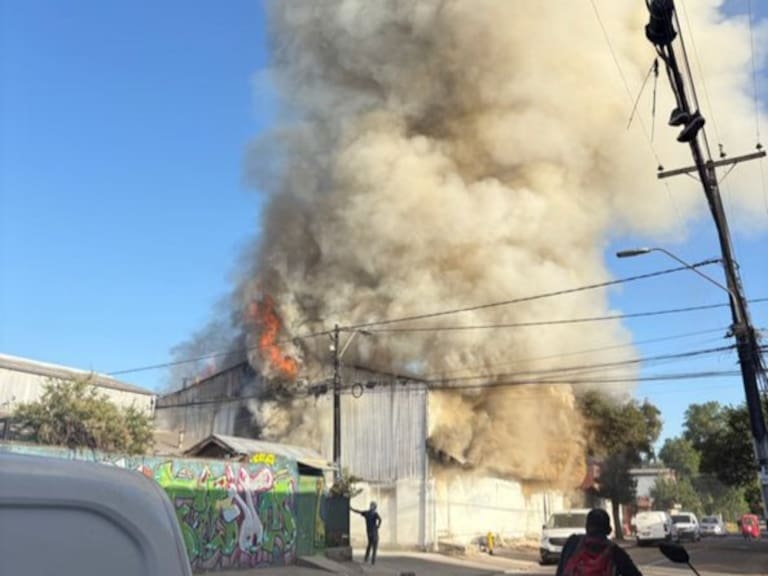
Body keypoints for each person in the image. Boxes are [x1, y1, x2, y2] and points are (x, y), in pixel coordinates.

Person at [556, 508, 642, 576]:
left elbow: (560, 571)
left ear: (586, 527)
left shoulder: (573, 542)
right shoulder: (616, 552)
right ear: (609, 530)